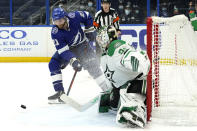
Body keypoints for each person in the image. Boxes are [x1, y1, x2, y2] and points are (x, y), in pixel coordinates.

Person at [48, 7, 110, 103]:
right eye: (56, 22)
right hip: (68, 49)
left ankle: (108, 90)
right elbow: (63, 51)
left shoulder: (74, 16)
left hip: (83, 46)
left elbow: (87, 16)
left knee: (93, 67)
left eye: (60, 20)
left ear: (65, 17)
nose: (59, 24)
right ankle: (60, 93)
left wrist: (89, 29)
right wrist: (73, 61)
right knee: (53, 63)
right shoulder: (55, 33)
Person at [96, 26, 150, 128]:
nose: (99, 40)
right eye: (98, 37)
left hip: (137, 82)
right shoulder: (105, 55)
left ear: (109, 37)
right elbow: (111, 75)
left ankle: (136, 110)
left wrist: (138, 61)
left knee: (128, 105)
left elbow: (135, 57)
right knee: (113, 105)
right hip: (121, 84)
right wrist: (109, 89)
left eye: (101, 37)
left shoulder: (118, 47)